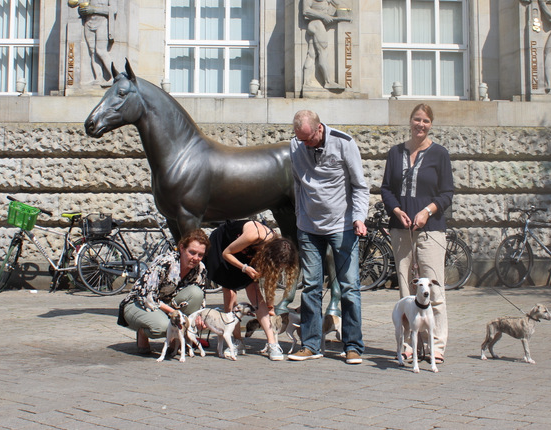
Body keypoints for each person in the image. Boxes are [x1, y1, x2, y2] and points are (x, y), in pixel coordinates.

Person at [287, 110, 369, 364]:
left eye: (309, 139)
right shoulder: (295, 145)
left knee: (349, 287)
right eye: (301, 139)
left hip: (342, 226)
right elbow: (298, 184)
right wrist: (300, 218)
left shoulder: (344, 143)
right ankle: (311, 345)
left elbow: (359, 185)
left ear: (320, 128)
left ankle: (353, 345)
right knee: (311, 286)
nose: (305, 144)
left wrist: (359, 217)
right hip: (309, 228)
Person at [380, 103, 454, 364]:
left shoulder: (440, 154)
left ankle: (436, 345)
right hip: (401, 229)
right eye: (416, 120)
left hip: (430, 230)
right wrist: (397, 210)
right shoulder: (395, 152)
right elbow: (386, 189)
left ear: (430, 124)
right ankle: (410, 345)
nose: (420, 125)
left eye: (425, 121)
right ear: (410, 122)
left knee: (433, 289)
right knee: (406, 291)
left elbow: (447, 194)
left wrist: (427, 211)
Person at [203, 220, 299, 361]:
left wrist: (270, 307)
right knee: (230, 293)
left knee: (255, 294)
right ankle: (237, 341)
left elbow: (270, 283)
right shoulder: (254, 235)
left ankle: (272, 343)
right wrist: (244, 268)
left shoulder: (274, 247)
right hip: (224, 247)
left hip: (246, 254)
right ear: (270, 255)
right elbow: (226, 253)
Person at [117, 229, 210, 353]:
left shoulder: (200, 268)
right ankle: (142, 333)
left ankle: (176, 342)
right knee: (164, 327)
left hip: (167, 304)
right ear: (181, 248)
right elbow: (147, 295)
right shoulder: (166, 262)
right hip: (140, 303)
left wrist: (199, 317)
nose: (196, 258)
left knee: (196, 292)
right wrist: (176, 314)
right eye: (192, 252)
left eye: (200, 255)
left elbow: (201, 297)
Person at [301, 0, 351, 89]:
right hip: (315, 23)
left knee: (312, 54)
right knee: (323, 51)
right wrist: (323, 16)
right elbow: (306, 11)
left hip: (321, 23)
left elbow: (339, 4)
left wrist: (347, 11)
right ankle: (328, 81)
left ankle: (306, 82)